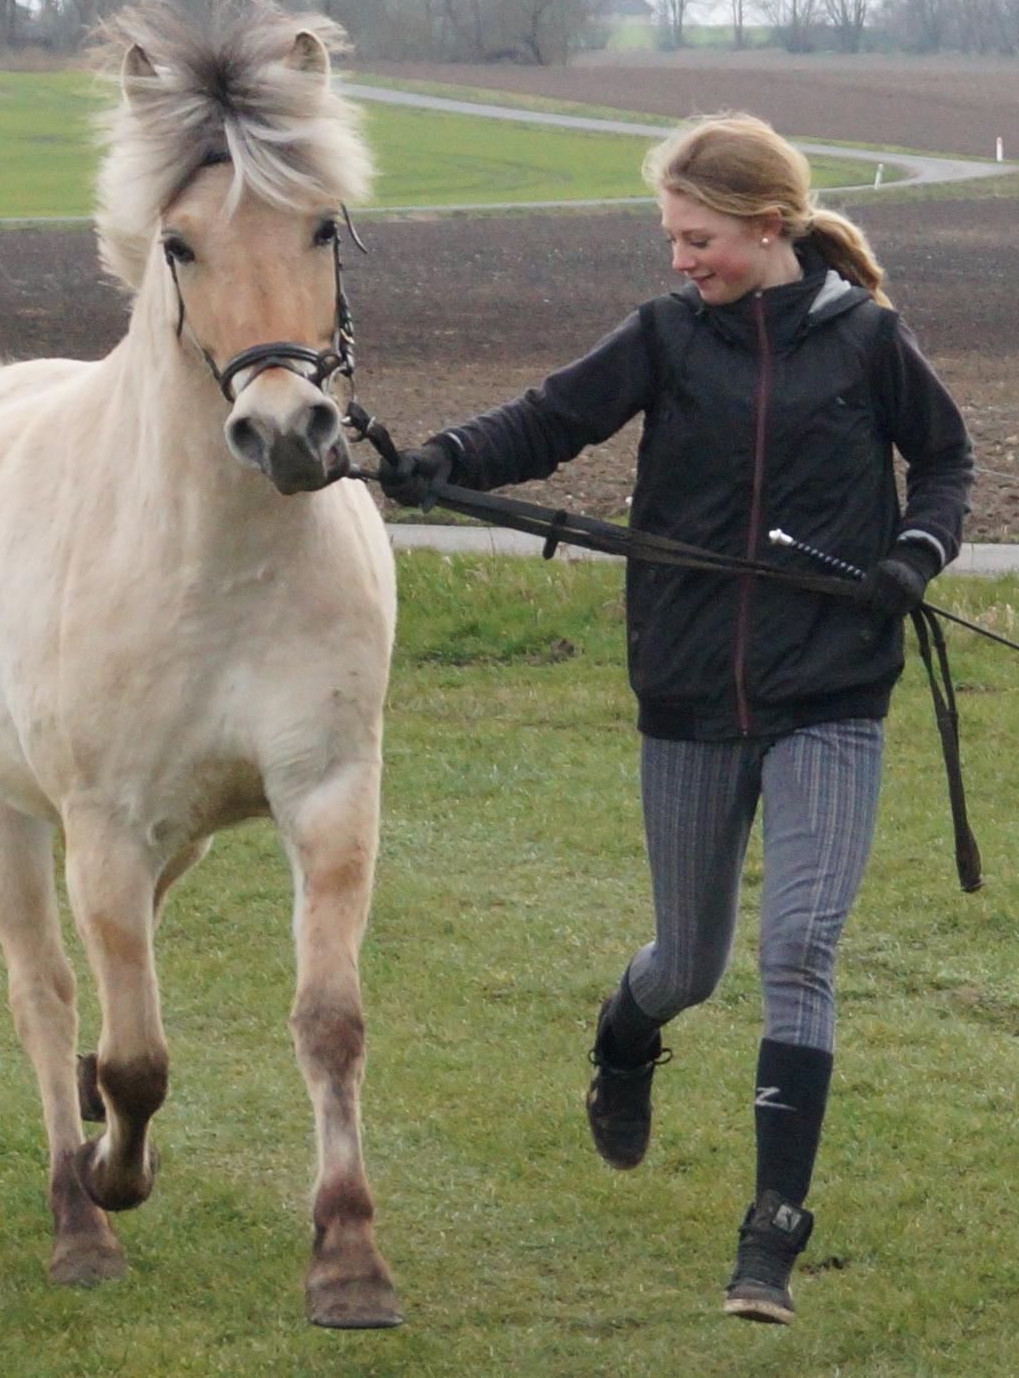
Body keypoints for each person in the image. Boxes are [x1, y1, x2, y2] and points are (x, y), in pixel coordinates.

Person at [378, 113, 973, 1325]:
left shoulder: (866, 342)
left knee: (800, 948)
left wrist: (918, 547)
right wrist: (436, 457)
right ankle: (625, 1036)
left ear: (767, 231)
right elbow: (548, 424)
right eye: (672, 239)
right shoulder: (664, 338)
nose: (679, 260)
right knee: (690, 963)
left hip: (833, 696)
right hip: (692, 695)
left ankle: (771, 1239)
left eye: (696, 239)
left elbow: (949, 461)